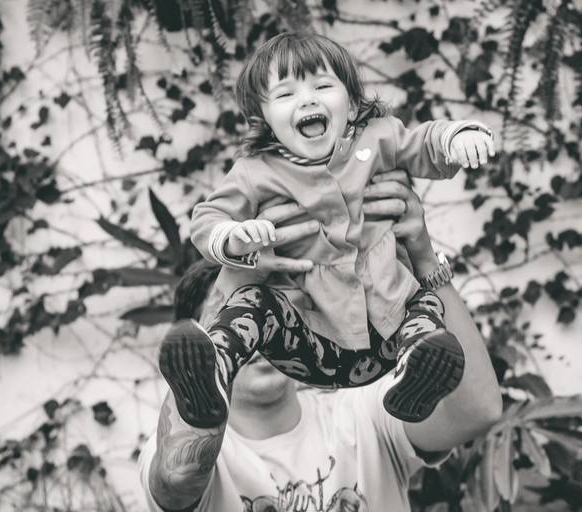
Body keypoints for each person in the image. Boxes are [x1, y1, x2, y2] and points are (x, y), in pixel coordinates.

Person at [168, 32, 496, 428]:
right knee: (252, 303)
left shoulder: (379, 138)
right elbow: (208, 218)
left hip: (388, 332)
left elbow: (424, 141)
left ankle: (416, 372)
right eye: (285, 95)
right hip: (306, 340)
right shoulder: (256, 172)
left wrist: (459, 138)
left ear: (352, 102)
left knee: (424, 306)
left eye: (323, 86)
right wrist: (236, 239)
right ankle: (213, 370)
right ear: (264, 119)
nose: (308, 99)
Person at [139, 173, 502, 511]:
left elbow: (479, 411)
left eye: (275, 311)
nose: (260, 334)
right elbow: (178, 474)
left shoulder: (363, 415)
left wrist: (422, 258)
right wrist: (235, 279)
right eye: (244, 317)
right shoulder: (179, 449)